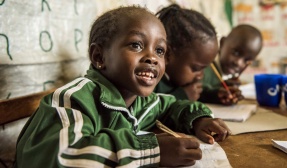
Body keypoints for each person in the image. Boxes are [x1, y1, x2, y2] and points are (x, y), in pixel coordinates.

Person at [14, 6, 231, 168]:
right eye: (136, 45)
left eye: (160, 50)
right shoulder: (74, 98)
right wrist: (151, 150)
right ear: (99, 56)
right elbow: (64, 155)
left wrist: (199, 119)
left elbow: (171, 106)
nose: (152, 58)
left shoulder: (141, 101)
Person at [153, 4, 219, 101]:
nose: (200, 76)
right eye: (196, 68)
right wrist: (181, 96)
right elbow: (147, 108)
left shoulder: (178, 79)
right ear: (167, 55)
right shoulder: (151, 79)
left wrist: (215, 95)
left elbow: (195, 92)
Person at [200, 24, 263, 105]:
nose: (238, 63)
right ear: (222, 43)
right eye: (236, 53)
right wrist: (215, 94)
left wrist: (221, 88)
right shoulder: (205, 67)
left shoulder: (224, 75)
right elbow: (197, 91)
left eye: (246, 60)